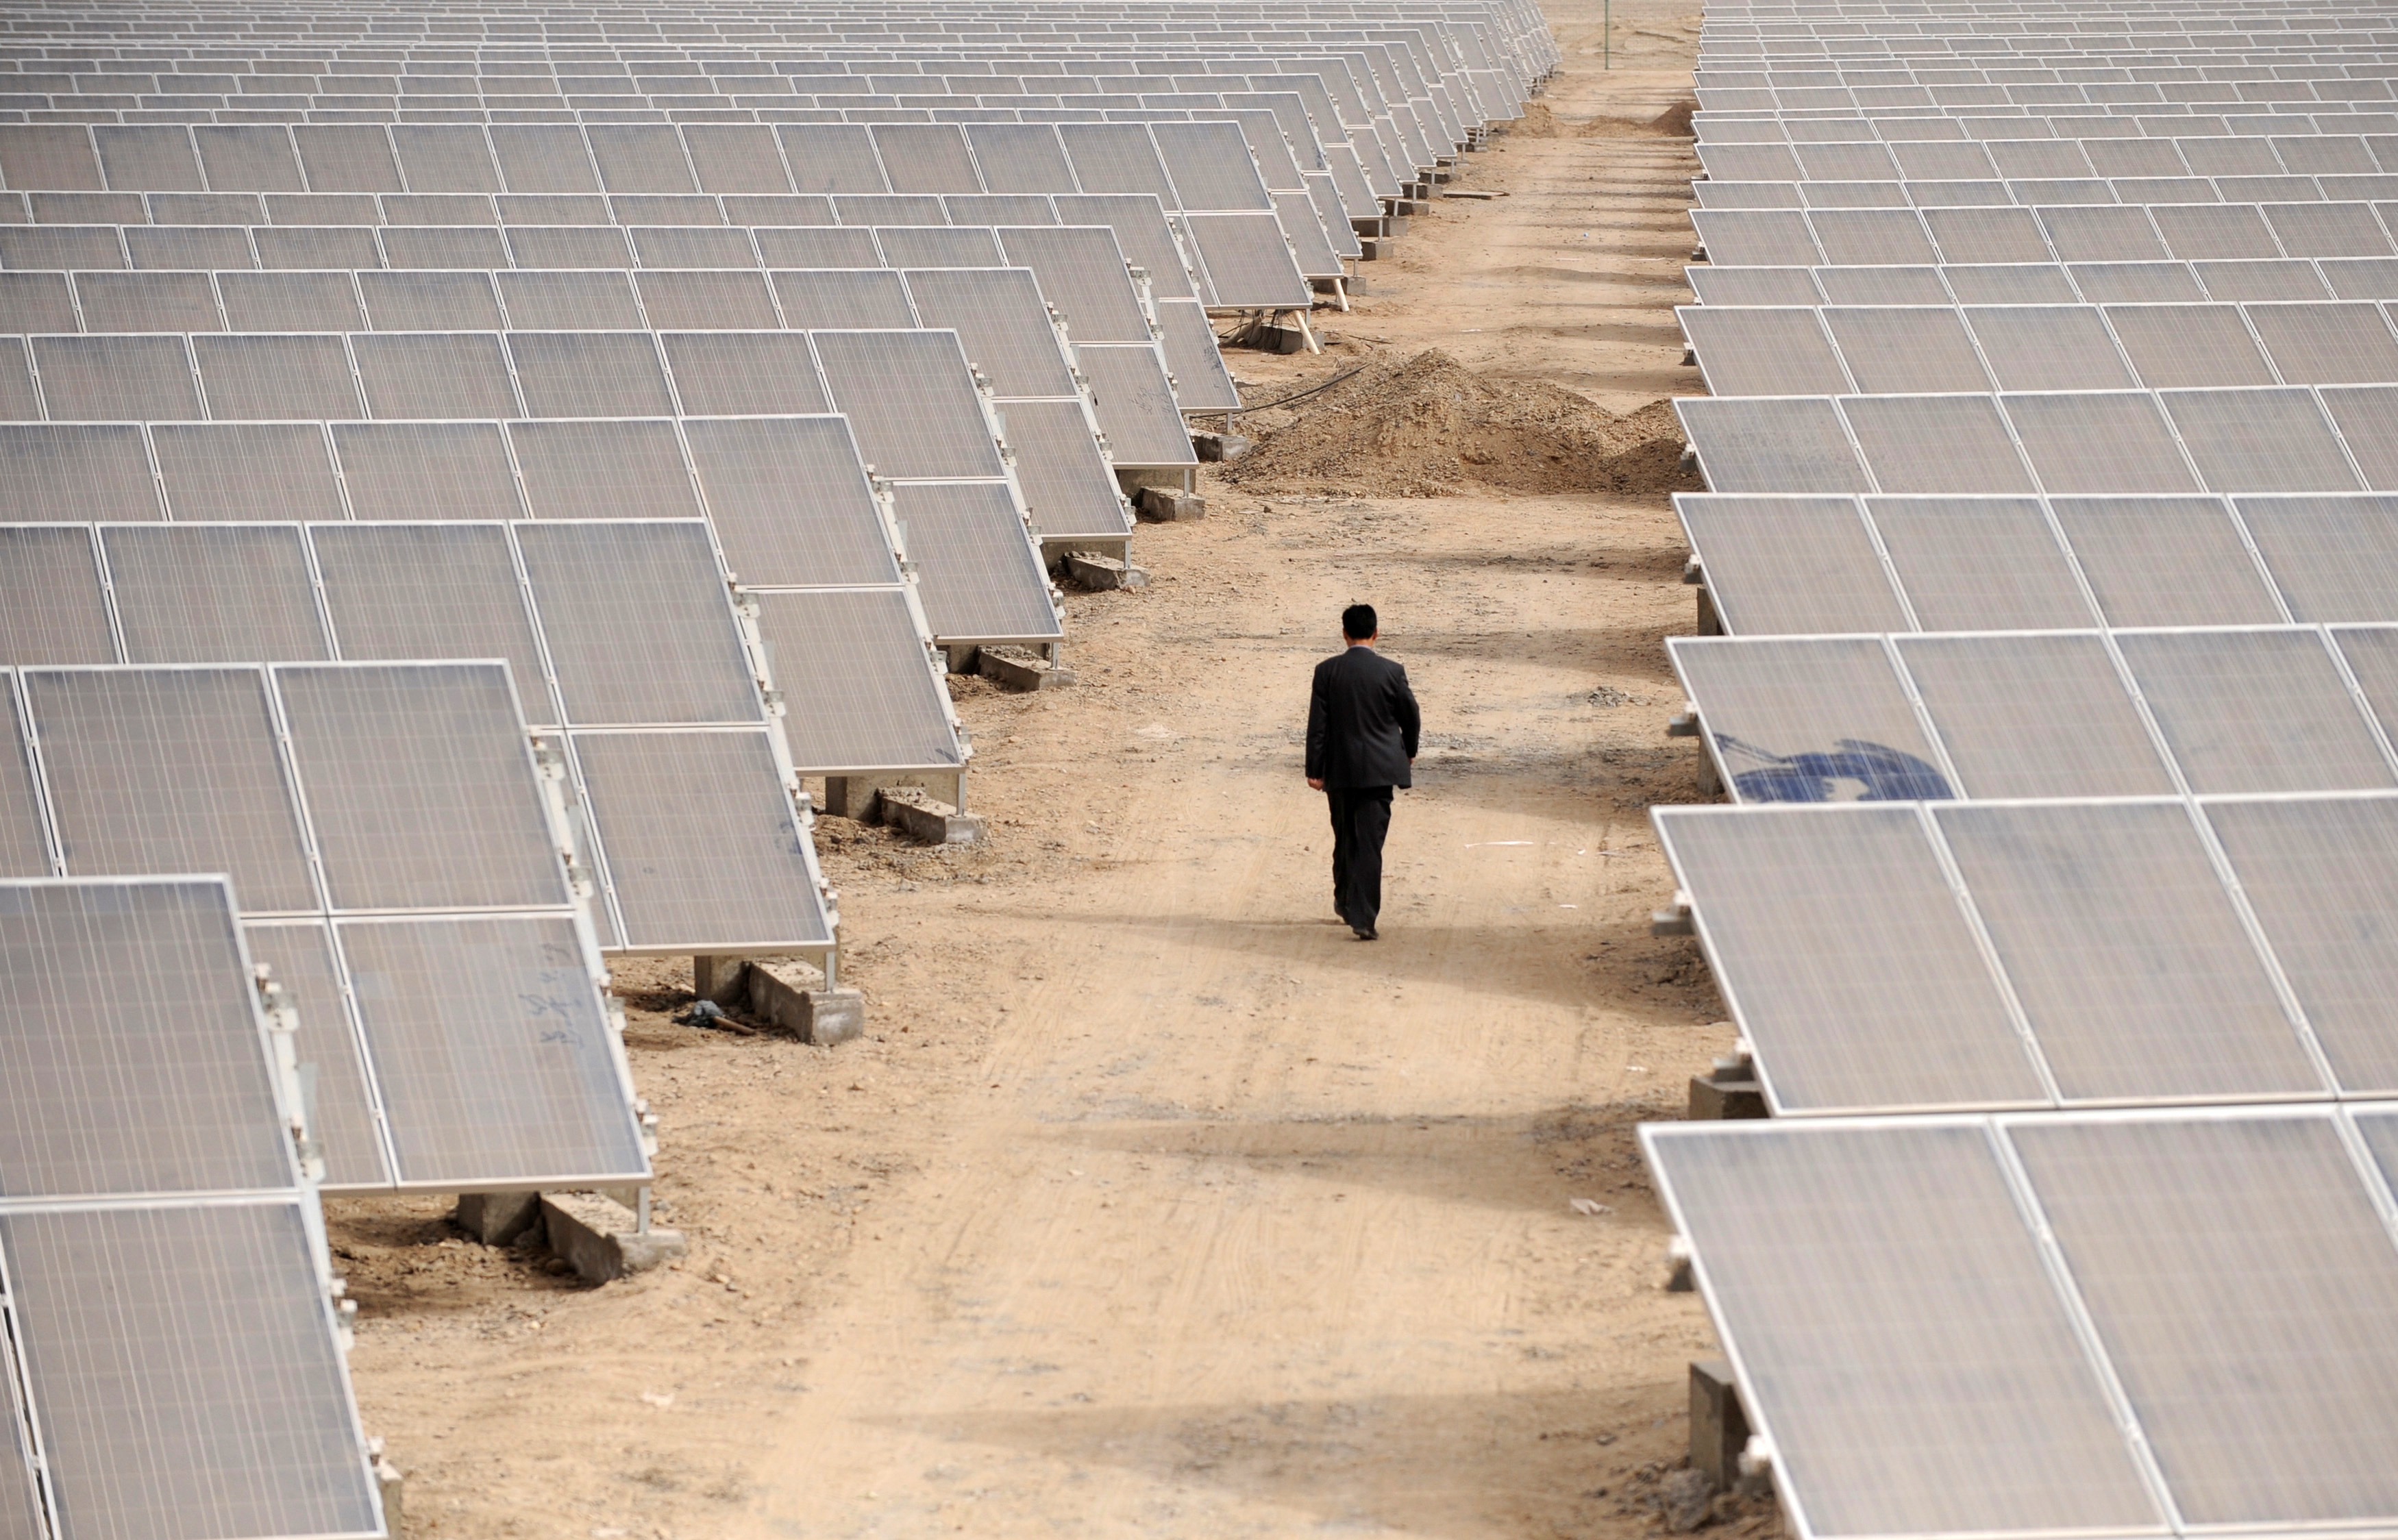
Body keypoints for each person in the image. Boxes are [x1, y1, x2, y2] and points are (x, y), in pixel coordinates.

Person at [1306, 604, 1420, 941]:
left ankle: (1345, 901)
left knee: (1345, 837)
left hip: (1339, 769)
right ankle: (1364, 918)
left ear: (1344, 634)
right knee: (1370, 844)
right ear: (1376, 633)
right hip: (1380, 771)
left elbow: (1318, 726)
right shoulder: (1392, 672)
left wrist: (1315, 769)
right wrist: (1408, 750)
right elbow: (1411, 715)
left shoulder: (1327, 671)